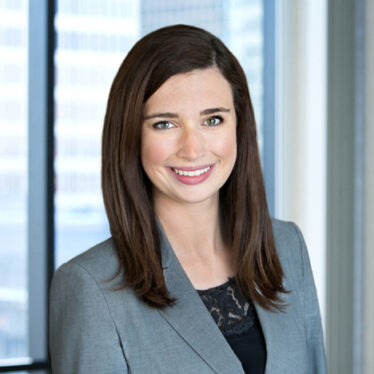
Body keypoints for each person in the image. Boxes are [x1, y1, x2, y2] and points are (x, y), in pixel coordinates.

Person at [49, 24, 327, 374]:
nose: (193, 149)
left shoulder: (287, 248)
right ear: (131, 135)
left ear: (239, 127)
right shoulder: (90, 287)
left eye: (212, 120)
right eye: (165, 124)